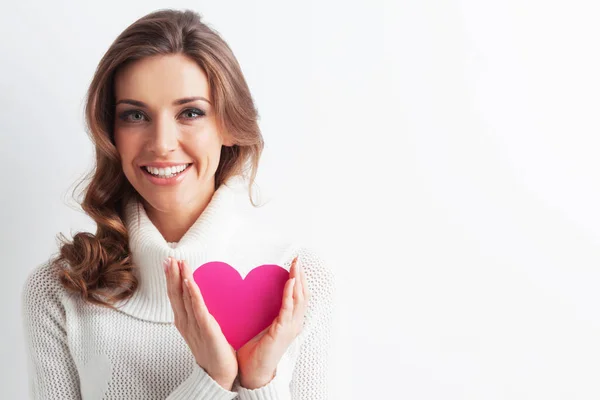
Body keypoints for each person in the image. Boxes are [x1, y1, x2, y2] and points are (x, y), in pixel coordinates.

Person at [20, 8, 335, 400]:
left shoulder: (300, 282)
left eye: (190, 113)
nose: (162, 143)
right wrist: (213, 381)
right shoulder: (60, 291)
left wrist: (258, 382)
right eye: (135, 115)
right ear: (111, 133)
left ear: (229, 126)